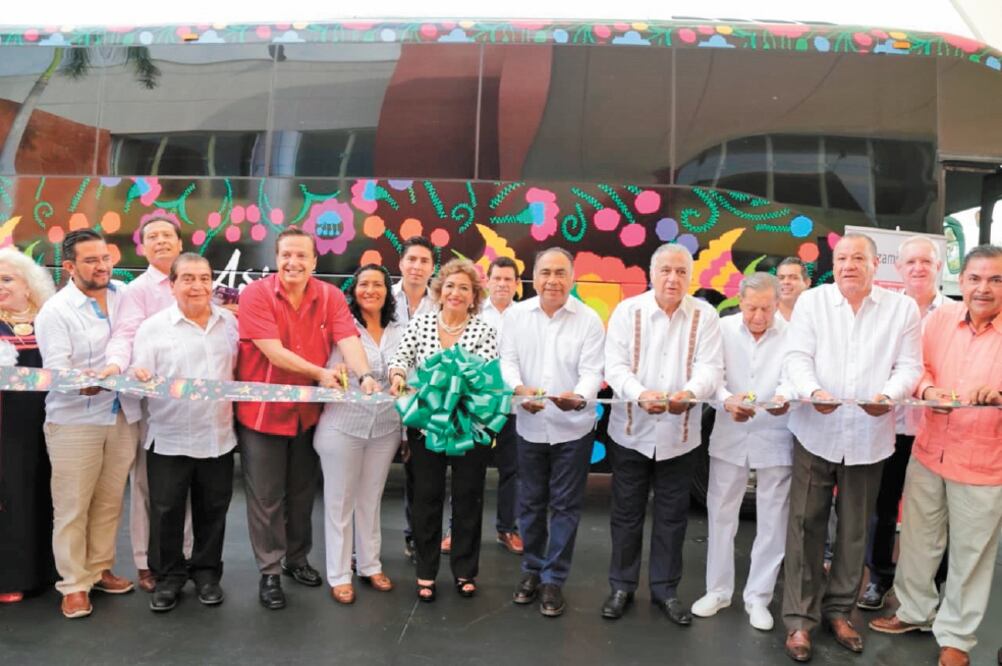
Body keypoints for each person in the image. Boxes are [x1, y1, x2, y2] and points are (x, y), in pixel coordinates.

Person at [781, 233, 923, 662]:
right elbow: (795, 357)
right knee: (805, 524)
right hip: (814, 430)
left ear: (875, 264)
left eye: (858, 258)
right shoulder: (813, 303)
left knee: (854, 530)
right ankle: (800, 621)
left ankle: (840, 612)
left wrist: (889, 397)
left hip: (869, 436)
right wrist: (812, 390)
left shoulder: (901, 309)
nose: (848, 266)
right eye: (841, 258)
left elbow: (910, 366)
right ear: (833, 264)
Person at [870, 245, 1002, 666]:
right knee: (918, 541)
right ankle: (913, 612)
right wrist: (927, 391)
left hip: (983, 463)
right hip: (929, 452)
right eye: (976, 279)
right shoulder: (939, 320)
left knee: (970, 555)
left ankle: (957, 639)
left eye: (996, 280)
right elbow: (916, 367)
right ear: (960, 281)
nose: (984, 288)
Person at [236, 227, 378, 611]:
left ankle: (297, 559)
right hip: (262, 416)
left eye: (302, 256)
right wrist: (319, 373)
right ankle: (270, 572)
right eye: (286, 255)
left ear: (315, 261)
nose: (293, 262)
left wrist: (364, 374)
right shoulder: (256, 295)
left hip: (307, 416)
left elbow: (347, 337)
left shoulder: (329, 296)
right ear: (276, 258)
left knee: (301, 494)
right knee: (266, 498)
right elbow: (272, 351)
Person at [602, 243, 723, 626]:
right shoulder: (628, 311)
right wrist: (639, 394)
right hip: (631, 432)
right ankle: (621, 586)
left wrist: (690, 394)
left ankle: (665, 590)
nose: (673, 278)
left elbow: (710, 368)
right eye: (666, 270)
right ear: (651, 274)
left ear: (691, 277)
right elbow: (615, 366)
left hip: (680, 435)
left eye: (681, 272)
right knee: (626, 514)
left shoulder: (705, 315)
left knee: (673, 517)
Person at [35, 229, 143, 619]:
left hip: (121, 414)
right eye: (91, 260)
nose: (102, 266)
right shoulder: (55, 311)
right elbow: (59, 373)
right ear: (69, 267)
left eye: (105, 258)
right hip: (74, 420)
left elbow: (132, 342)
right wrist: (90, 382)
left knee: (110, 501)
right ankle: (73, 585)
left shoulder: (123, 294)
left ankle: (99, 570)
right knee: (72, 506)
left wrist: (117, 372)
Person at [130, 253, 238, 613]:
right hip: (169, 437)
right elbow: (139, 377)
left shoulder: (229, 324)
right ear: (173, 285)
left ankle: (207, 574)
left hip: (218, 437)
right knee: (166, 512)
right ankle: (168, 579)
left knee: (214, 510)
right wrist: (139, 376)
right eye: (188, 279)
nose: (197, 286)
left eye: (204, 278)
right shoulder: (153, 328)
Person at [501, 248, 604, 618]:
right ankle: (531, 569)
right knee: (529, 503)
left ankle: (553, 580)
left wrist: (579, 396)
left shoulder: (589, 320)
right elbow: (507, 361)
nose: (552, 281)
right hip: (529, 425)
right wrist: (517, 389)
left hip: (573, 429)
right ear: (533, 276)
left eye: (560, 273)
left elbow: (593, 371)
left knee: (565, 505)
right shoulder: (515, 316)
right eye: (545, 272)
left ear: (572, 278)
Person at [388, 258, 498, 602]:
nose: (455, 292)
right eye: (450, 285)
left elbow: (483, 377)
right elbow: (400, 358)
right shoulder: (420, 324)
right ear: (440, 290)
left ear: (474, 295)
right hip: (427, 428)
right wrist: (398, 376)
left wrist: (449, 387)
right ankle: (425, 571)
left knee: (468, 499)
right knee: (426, 498)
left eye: (464, 287)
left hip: (468, 427)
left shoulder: (485, 330)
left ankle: (465, 571)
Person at [690, 272, 793, 632]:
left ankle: (758, 598)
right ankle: (717, 591)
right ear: (740, 302)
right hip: (730, 431)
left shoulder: (793, 333)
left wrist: (786, 397)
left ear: (777, 304)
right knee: (720, 513)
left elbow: (795, 375)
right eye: (751, 308)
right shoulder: (722, 327)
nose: (758, 317)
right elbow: (712, 375)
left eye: (766, 308)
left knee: (772, 520)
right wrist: (724, 400)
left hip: (775, 434)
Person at [102, 211, 189, 593]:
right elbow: (125, 335)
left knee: (186, 487)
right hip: (151, 407)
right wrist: (119, 365)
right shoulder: (136, 290)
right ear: (142, 246)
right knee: (147, 486)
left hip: (193, 406)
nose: (160, 241)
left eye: (167, 235)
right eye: (152, 236)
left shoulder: (197, 280)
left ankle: (183, 556)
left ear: (180, 243)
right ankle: (144, 561)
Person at [858, 235, 946, 611]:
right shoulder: (886, 312)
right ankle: (878, 579)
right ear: (899, 267)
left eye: (925, 261)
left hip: (937, 430)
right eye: (910, 262)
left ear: (938, 266)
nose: (918, 268)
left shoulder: (953, 315)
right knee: (883, 505)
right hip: (892, 426)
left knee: (933, 512)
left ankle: (931, 585)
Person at [314, 264, 404, 605]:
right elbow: (322, 366)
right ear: (353, 290)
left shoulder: (401, 328)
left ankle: (370, 565)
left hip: (385, 429)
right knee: (339, 504)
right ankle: (339, 575)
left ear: (387, 290)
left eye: (378, 284)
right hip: (342, 428)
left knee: (370, 500)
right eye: (363, 284)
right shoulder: (340, 326)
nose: (370, 290)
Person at [0, 248, 57, 604]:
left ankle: (48, 571)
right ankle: (11, 577)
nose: (0, 287)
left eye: (7, 279)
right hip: (7, 429)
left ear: (30, 285)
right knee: (13, 496)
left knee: (49, 495)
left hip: (53, 423)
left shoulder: (50, 319)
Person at [392, 236, 437, 561]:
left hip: (423, 403)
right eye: (412, 259)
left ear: (432, 268)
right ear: (401, 263)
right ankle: (357, 551)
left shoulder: (440, 302)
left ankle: (417, 538)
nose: (417, 266)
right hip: (381, 395)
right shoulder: (382, 295)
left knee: (420, 477)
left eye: (424, 261)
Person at [478, 256, 523, 555]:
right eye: (498, 278)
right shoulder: (474, 313)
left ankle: (508, 529)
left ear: (518, 285)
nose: (503, 284)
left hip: (515, 406)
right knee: (469, 469)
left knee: (514, 471)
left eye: (509, 279)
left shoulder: (526, 316)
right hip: (478, 406)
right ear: (488, 282)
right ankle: (456, 529)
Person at [776, 257, 811, 322]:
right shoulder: (767, 313)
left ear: (807, 282)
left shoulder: (816, 313)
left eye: (793, 278)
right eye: (781, 278)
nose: (786, 282)